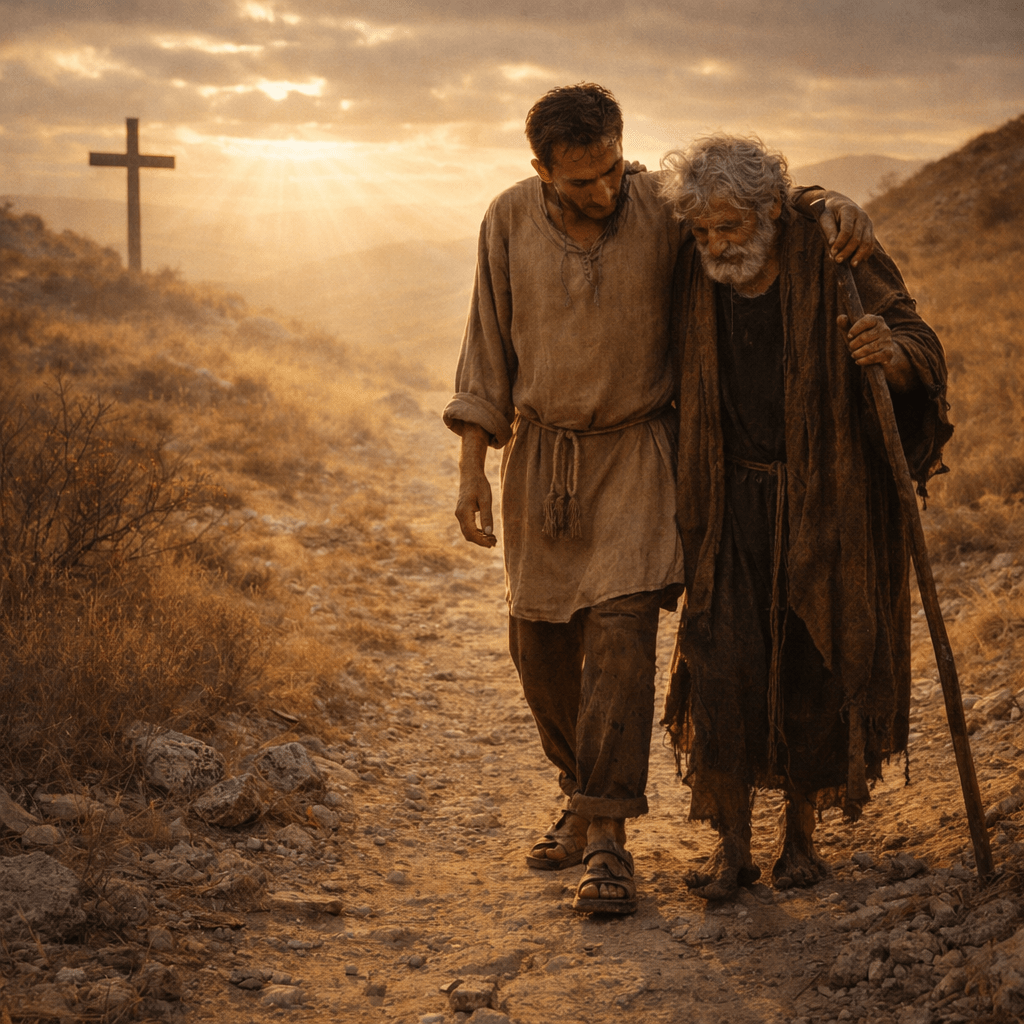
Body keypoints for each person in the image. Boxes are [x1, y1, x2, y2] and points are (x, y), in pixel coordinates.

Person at [443, 84, 873, 915]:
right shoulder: (505, 220)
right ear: (540, 171)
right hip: (543, 460)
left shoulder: (658, 210)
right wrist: (470, 471)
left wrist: (826, 199)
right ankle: (580, 793)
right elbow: (485, 350)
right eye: (580, 183)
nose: (603, 192)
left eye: (611, 170)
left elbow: (750, 207)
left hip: (639, 456)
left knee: (619, 638)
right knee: (539, 651)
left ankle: (608, 842)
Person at [659, 134, 952, 899]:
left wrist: (886, 351)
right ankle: (731, 849)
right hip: (728, 501)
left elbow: (922, 347)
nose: (716, 245)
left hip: (828, 497)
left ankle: (799, 841)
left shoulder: (835, 255)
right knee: (721, 660)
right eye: (703, 231)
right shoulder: (697, 273)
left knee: (814, 663)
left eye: (729, 227)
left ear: (769, 213)